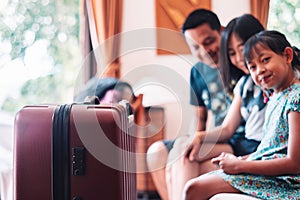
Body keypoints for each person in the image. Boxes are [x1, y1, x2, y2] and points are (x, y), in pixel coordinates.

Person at [183, 30, 300, 200]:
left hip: (286, 182)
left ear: (287, 56)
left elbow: (295, 163)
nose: (259, 70)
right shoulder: (276, 96)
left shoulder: (295, 97)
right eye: (252, 67)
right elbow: (269, 150)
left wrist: (241, 165)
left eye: (265, 60)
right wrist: (237, 159)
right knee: (196, 184)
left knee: (194, 188)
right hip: (272, 175)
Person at [165, 14, 267, 200]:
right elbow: (227, 128)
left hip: (250, 149)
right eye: (232, 53)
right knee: (185, 153)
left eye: (242, 50)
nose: (239, 59)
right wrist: (199, 136)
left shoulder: (271, 80)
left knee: (192, 169)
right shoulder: (244, 84)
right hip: (236, 143)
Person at [146, 9, 245, 200]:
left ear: (222, 32)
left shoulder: (238, 61)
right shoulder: (197, 72)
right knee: (156, 152)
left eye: (208, 42)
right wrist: (193, 138)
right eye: (196, 47)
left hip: (234, 139)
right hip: (213, 138)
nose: (204, 51)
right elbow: (200, 118)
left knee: (185, 156)